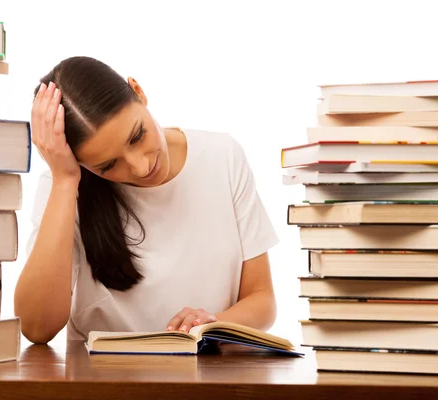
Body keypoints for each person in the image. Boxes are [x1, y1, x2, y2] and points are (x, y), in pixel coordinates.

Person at [14, 56, 279, 344]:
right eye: (107, 166)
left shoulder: (223, 156)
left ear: (139, 92)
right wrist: (65, 182)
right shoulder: (64, 186)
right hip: (103, 382)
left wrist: (212, 325)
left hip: (209, 378)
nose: (140, 168)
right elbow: (37, 328)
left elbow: (261, 300)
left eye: (137, 136)